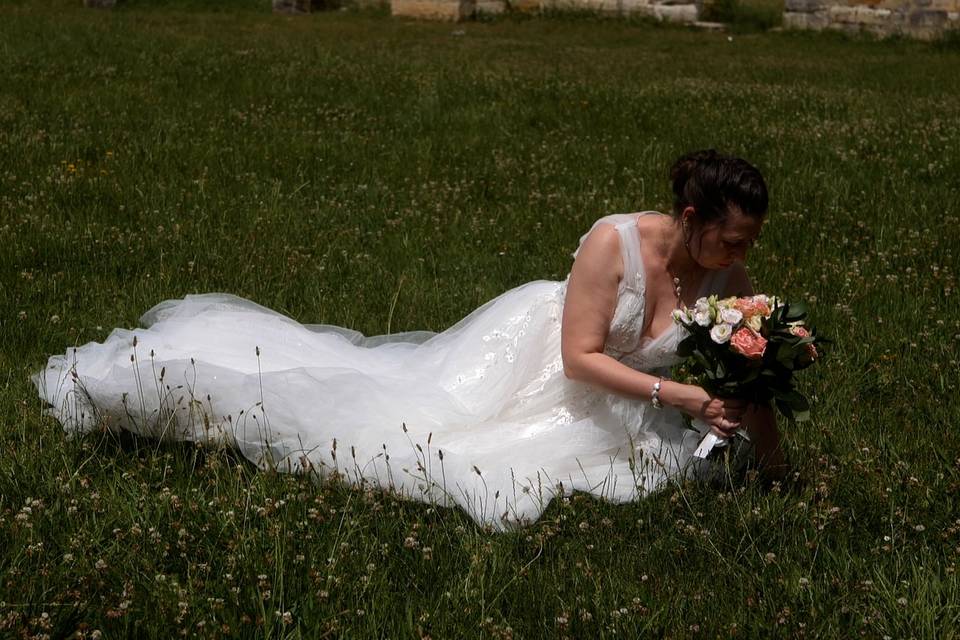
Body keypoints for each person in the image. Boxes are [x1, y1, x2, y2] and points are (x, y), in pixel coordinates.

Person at [33, 149, 790, 532]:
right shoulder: (613, 244)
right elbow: (578, 359)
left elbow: (749, 373)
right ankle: (175, 380)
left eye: (746, 241)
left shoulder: (726, 278)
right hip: (542, 364)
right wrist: (679, 393)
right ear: (690, 217)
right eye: (729, 237)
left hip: (627, 393)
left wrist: (778, 466)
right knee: (423, 434)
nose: (738, 254)